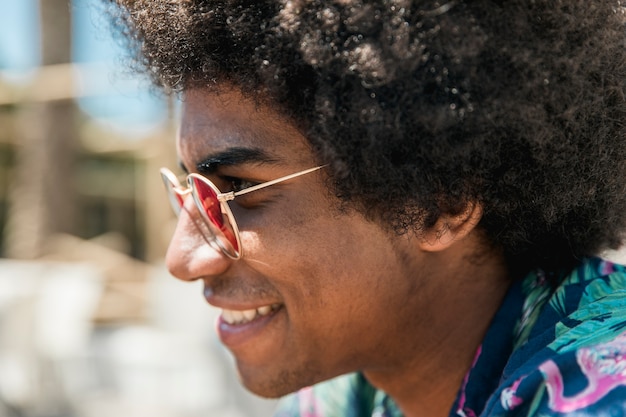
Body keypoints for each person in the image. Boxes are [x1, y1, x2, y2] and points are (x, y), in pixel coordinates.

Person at [106, 1, 626, 416]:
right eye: (188, 193)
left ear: (435, 202)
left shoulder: (601, 389)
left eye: (236, 189)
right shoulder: (345, 391)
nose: (182, 258)